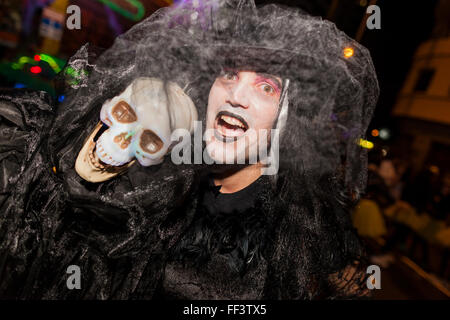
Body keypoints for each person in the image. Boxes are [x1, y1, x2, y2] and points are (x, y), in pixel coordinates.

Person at [0, 0, 378, 299]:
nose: (235, 95)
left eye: (266, 87)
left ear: (289, 120)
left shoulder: (304, 232)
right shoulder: (160, 181)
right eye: (229, 74)